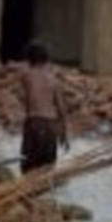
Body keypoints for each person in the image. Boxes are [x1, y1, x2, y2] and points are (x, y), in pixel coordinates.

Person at [18, 42, 69, 174]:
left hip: (34, 123)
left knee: (28, 167)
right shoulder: (54, 80)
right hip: (51, 126)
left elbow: (22, 93)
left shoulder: (26, 75)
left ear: (29, 60)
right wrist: (64, 134)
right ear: (47, 59)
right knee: (48, 168)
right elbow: (62, 110)